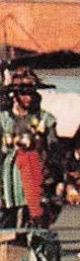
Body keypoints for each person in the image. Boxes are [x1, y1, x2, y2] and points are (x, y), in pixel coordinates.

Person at [0, 69, 56, 227]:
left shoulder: (45, 119)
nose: (28, 97)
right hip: (8, 178)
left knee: (37, 221)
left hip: (36, 177)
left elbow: (53, 149)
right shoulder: (3, 119)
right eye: (24, 93)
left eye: (31, 92)